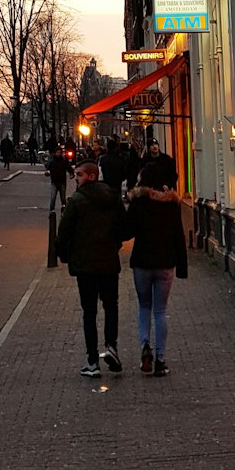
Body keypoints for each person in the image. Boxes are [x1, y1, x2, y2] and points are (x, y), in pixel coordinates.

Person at [56, 160, 125, 377]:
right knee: (111, 306)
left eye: (79, 174)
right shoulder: (113, 198)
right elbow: (124, 228)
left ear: (91, 176)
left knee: (89, 312)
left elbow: (63, 233)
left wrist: (66, 256)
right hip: (109, 264)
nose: (75, 178)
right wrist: (115, 243)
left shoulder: (76, 201)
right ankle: (111, 346)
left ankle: (92, 361)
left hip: (85, 266)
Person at [124, 161, 188, 376]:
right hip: (165, 262)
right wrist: (182, 267)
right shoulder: (171, 204)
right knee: (160, 310)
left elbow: (127, 232)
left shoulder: (138, 202)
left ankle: (145, 347)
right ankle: (160, 359)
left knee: (144, 306)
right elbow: (178, 236)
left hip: (142, 261)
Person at [46, 144, 74, 213]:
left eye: (59, 152)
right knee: (53, 198)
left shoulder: (64, 161)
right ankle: (51, 211)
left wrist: (71, 174)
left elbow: (69, 168)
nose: (58, 154)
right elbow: (48, 168)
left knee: (63, 198)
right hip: (54, 182)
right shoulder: (52, 161)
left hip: (62, 182)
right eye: (57, 152)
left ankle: (64, 211)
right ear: (55, 153)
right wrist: (47, 172)